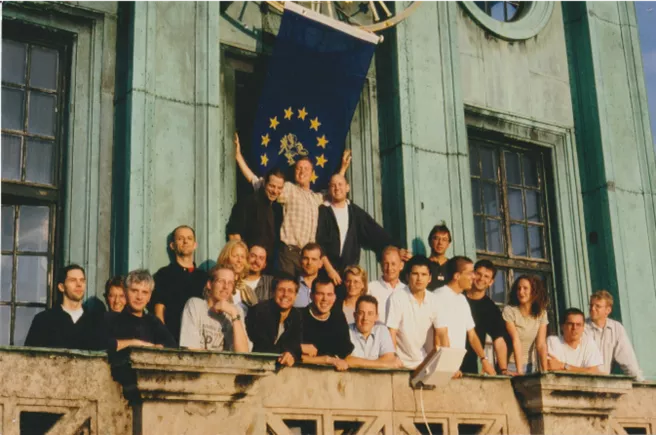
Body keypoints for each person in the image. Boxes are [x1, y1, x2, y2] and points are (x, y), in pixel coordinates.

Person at [234, 132, 351, 277]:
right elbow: (258, 182)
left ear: (312, 173)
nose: (302, 172)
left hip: (307, 257)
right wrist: (238, 157)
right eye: (298, 168)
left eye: (306, 169)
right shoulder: (289, 189)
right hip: (288, 254)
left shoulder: (316, 198)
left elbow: (334, 189)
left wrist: (343, 168)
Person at [316, 174, 397, 278]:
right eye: (333, 185)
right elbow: (319, 243)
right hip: (326, 272)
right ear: (329, 189)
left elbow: (375, 232)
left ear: (347, 187)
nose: (337, 188)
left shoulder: (354, 212)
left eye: (340, 184)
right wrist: (329, 270)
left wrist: (396, 248)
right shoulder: (323, 211)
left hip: (349, 274)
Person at [434, 256, 496, 376]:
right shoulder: (439, 296)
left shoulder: (462, 299)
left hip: (456, 368)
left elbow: (472, 335)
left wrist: (484, 360)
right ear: (457, 276)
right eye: (470, 273)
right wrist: (448, 366)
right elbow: (440, 335)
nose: (473, 277)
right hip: (442, 367)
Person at [25, 264, 109, 350]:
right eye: (73, 280)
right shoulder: (43, 320)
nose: (79, 284)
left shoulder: (96, 322)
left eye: (82, 280)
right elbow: (30, 358)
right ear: (61, 287)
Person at [151, 225, 209, 343]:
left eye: (189, 238)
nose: (185, 241)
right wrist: (164, 338)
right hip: (173, 339)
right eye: (180, 238)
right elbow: (159, 309)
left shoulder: (204, 277)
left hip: (200, 341)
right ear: (172, 245)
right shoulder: (163, 275)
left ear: (195, 245)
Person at [386, 255, 444, 369]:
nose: (419, 279)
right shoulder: (397, 297)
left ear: (430, 278)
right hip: (400, 363)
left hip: (425, 363)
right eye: (415, 274)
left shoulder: (435, 300)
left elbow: (442, 335)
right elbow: (391, 333)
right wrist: (393, 360)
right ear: (407, 276)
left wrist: (446, 365)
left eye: (423, 274)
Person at [179, 265, 249, 352]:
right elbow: (191, 350)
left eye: (230, 283)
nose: (226, 287)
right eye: (221, 281)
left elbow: (243, 354)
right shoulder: (195, 305)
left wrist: (234, 314)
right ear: (209, 284)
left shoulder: (236, 311)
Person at [107, 269, 177, 349]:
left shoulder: (154, 323)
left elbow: (171, 347)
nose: (139, 297)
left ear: (149, 297)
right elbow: (98, 343)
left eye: (144, 292)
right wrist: (134, 343)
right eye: (134, 291)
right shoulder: (111, 319)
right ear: (125, 292)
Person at [226, 168, 284, 262]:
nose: (275, 191)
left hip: (267, 266)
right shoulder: (248, 202)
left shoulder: (278, 209)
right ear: (264, 183)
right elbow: (234, 233)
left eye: (279, 188)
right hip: (248, 262)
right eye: (272, 186)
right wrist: (242, 259)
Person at [584, 290, 644, 380]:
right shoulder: (582, 327)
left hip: (605, 383)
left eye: (597, 306)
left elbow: (628, 360)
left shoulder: (616, 328)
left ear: (608, 310)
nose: (592, 309)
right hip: (584, 381)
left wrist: (640, 383)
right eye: (591, 305)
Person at [462, 260, 509, 375]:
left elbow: (499, 340)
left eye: (486, 276)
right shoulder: (458, 297)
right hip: (449, 359)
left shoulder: (491, 309)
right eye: (478, 274)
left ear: (491, 282)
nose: (481, 278)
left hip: (470, 365)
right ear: (472, 274)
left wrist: (503, 369)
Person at [246, 273, 302, 367]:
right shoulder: (259, 311)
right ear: (273, 292)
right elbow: (261, 347)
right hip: (253, 365)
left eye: (290, 291)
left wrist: (291, 353)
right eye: (281, 290)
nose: (285, 294)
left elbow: (295, 345)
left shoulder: (296, 315)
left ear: (296, 295)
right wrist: (287, 351)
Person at [301, 278, 354, 371]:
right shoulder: (299, 316)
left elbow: (345, 354)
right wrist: (327, 360)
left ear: (334, 297)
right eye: (320, 294)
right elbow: (292, 354)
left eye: (329, 294)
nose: (325, 299)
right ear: (311, 296)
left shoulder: (338, 317)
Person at [503, 275, 549, 374]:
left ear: (534, 291)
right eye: (518, 288)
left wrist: (545, 372)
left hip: (530, 366)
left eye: (525, 288)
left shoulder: (542, 313)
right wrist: (519, 372)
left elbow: (541, 344)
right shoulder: (510, 311)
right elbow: (516, 340)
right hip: (511, 365)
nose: (521, 292)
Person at [345, 295, 403, 369]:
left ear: (376, 317)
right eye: (361, 313)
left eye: (370, 313)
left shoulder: (382, 330)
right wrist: (383, 364)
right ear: (354, 315)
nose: (365, 318)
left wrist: (357, 362)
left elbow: (389, 359)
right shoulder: (345, 330)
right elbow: (346, 360)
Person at [547, 308, 602, 373]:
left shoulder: (588, 342)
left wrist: (563, 366)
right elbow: (550, 367)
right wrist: (584, 370)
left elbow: (594, 372)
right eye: (570, 324)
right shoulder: (553, 341)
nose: (574, 328)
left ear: (583, 327)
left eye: (578, 324)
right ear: (562, 326)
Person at [367, 246, 408, 323]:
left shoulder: (406, 290)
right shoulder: (371, 289)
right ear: (381, 266)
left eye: (393, 264)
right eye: (386, 264)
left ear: (401, 265)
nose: (389, 268)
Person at [217, 240, 258, 313]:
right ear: (226, 258)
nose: (239, 260)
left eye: (242, 257)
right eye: (235, 256)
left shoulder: (248, 290)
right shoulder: (218, 285)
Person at [294, 243, 325, 308]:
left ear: (320, 263)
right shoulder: (292, 284)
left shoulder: (326, 287)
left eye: (314, 259)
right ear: (300, 261)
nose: (309, 263)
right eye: (306, 258)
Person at [426, 223, 451, 290]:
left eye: (444, 240)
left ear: (448, 244)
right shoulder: (424, 264)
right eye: (436, 238)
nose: (440, 243)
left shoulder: (452, 266)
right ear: (430, 241)